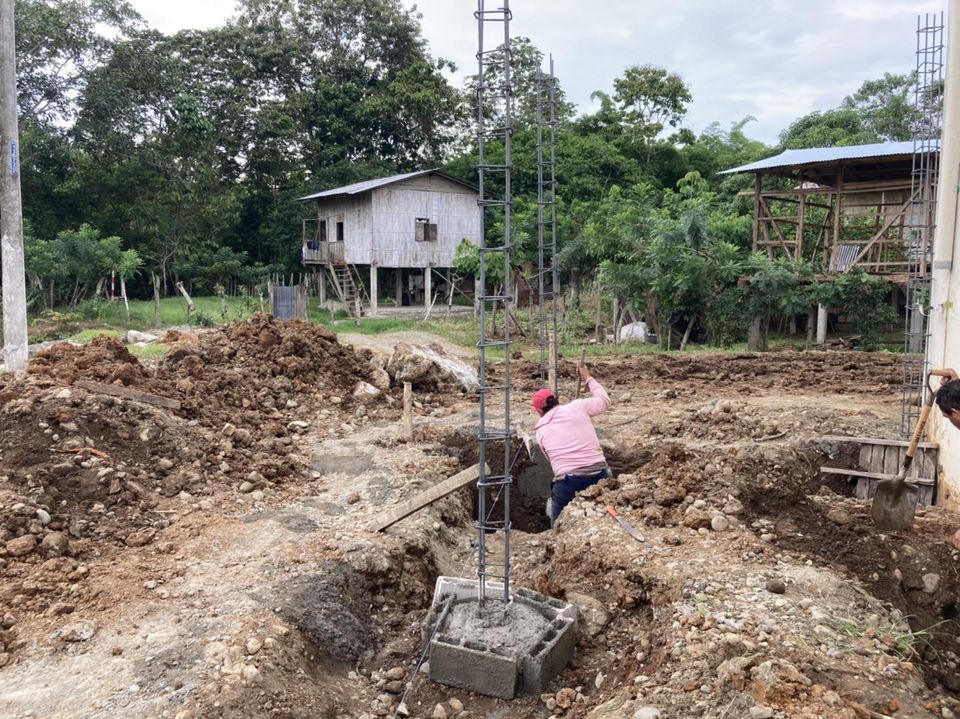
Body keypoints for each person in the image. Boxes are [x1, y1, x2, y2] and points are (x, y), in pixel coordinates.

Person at [532, 365, 611, 526]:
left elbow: (551, 459)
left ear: (539, 411)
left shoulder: (541, 430)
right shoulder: (577, 406)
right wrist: (587, 377)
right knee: (604, 517)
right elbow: (604, 401)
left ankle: (556, 532)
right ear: (557, 401)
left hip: (569, 481)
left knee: (558, 523)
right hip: (600, 474)